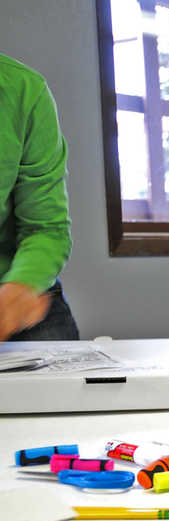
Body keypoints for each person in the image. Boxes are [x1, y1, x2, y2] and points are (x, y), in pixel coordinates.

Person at [0, 53, 79, 342]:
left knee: (63, 387)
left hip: (16, 289)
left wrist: (19, 288)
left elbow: (45, 229)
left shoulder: (24, 91)